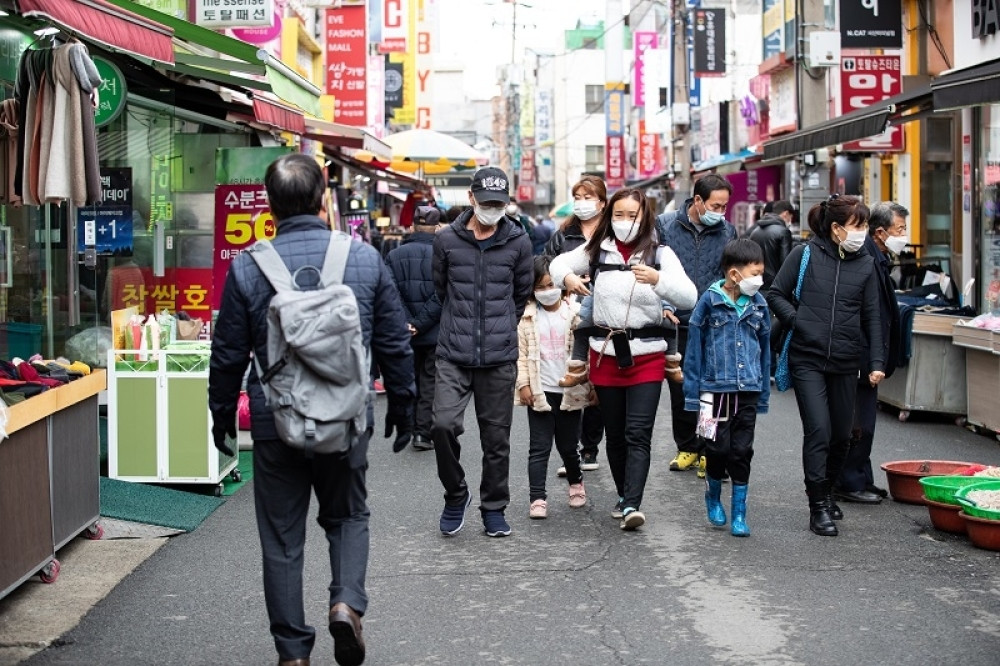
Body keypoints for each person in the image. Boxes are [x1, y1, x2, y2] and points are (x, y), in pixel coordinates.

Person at [208, 153, 415, 666]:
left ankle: (293, 653)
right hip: (345, 419)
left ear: (269, 205)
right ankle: (346, 603)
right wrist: (404, 404)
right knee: (347, 515)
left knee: (281, 538)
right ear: (323, 199)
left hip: (275, 420)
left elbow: (228, 353)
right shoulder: (363, 259)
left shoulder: (248, 266)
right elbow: (393, 340)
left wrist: (219, 416)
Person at [550, 187, 696, 530]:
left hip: (648, 356)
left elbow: (689, 296)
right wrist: (569, 278)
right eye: (618, 215)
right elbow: (556, 264)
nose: (625, 221)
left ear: (644, 216)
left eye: (632, 215)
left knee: (637, 433)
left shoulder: (661, 254)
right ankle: (622, 494)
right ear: (609, 216)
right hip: (605, 355)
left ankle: (632, 504)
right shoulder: (596, 251)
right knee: (614, 434)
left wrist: (658, 280)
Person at [767, 195, 884, 537]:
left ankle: (828, 490)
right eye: (858, 226)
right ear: (836, 229)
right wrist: (799, 321)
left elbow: (872, 315)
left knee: (842, 435)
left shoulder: (865, 263)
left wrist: (876, 361)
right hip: (808, 358)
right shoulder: (804, 254)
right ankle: (817, 505)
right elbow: (776, 293)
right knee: (818, 430)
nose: (863, 232)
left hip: (847, 360)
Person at [432, 166, 533, 538]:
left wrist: (500, 327)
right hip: (453, 353)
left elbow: (520, 295)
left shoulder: (519, 241)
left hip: (498, 356)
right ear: (471, 198)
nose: (493, 209)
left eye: (499, 203)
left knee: (497, 440)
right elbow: (441, 288)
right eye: (487, 202)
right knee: (442, 426)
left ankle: (494, 506)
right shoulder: (446, 241)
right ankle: (456, 494)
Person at [683, 239, 770, 537]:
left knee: (742, 450)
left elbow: (765, 349)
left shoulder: (760, 304)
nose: (760, 279)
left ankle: (740, 514)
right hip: (711, 392)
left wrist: (763, 393)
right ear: (735, 274)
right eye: (755, 273)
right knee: (715, 448)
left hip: (748, 389)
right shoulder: (709, 301)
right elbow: (694, 350)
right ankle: (712, 496)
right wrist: (693, 397)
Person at [657, 175, 738, 475]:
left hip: (713, 322)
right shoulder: (665, 225)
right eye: (716, 205)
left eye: (725, 205)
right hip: (676, 321)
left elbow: (731, 273)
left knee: (710, 390)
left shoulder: (727, 231)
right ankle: (687, 447)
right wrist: (665, 304)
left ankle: (708, 449)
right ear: (698, 201)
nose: (721, 211)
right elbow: (655, 270)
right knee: (681, 389)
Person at [835, 202, 906, 504]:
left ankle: (862, 477)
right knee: (859, 422)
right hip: (861, 354)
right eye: (900, 230)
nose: (903, 236)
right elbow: (868, 315)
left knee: (865, 419)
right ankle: (849, 481)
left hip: (869, 353)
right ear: (881, 232)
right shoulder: (867, 259)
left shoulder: (878, 258)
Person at [516, 255, 591, 519]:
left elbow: (586, 353)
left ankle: (576, 482)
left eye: (551, 285)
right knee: (539, 447)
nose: (547, 292)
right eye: (541, 287)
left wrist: (589, 384)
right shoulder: (527, 317)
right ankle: (537, 498)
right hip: (540, 391)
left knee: (569, 446)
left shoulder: (575, 313)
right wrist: (523, 384)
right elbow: (521, 355)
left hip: (569, 391)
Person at [544, 175, 609, 472]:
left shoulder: (612, 232)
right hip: (569, 313)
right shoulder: (564, 234)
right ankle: (571, 451)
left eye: (588, 196)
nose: (582, 202)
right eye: (578, 196)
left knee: (598, 378)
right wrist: (566, 282)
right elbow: (545, 267)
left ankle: (590, 448)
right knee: (573, 375)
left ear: (602, 201)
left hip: (606, 312)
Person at [385, 205, 445, 451]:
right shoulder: (444, 255)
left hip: (404, 331)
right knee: (430, 380)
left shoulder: (394, 255)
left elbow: (389, 292)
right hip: (434, 331)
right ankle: (423, 432)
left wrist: (408, 322)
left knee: (410, 379)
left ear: (411, 227)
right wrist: (421, 323)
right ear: (437, 228)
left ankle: (409, 427)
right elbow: (443, 294)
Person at [748, 200, 794, 290]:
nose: (790, 220)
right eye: (791, 217)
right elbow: (786, 263)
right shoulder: (783, 232)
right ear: (786, 213)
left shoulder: (755, 231)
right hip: (775, 285)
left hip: (756, 282)